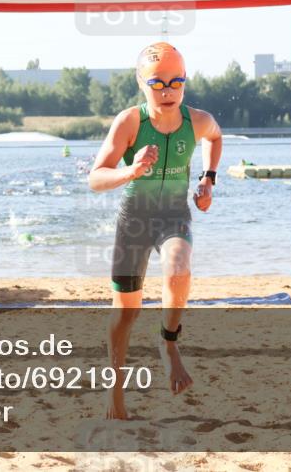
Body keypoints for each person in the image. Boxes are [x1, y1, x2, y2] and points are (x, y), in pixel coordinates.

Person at [88, 42, 223, 420]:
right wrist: (130, 171)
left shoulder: (196, 120)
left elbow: (216, 136)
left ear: (184, 83)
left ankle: (168, 344)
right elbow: (95, 178)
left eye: (176, 83)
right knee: (125, 314)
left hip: (174, 215)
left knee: (179, 268)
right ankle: (114, 392)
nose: (167, 92)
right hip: (134, 221)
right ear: (141, 83)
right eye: (158, 84)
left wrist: (208, 180)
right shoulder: (130, 121)